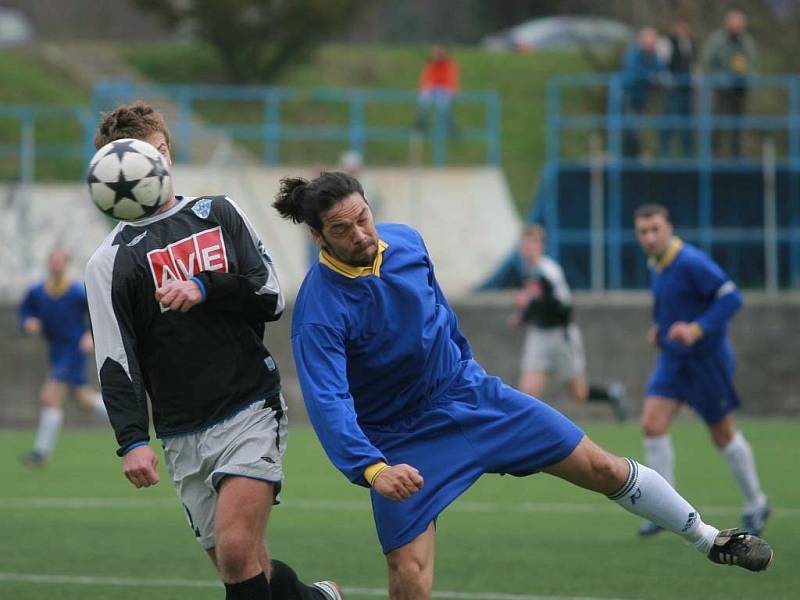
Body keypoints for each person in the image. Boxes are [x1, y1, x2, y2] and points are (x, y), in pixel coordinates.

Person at [273, 172, 773, 600]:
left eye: (363, 217)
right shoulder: (318, 311)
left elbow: (440, 310)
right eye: (342, 229)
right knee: (408, 580)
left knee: (601, 465)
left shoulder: (406, 241)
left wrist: (464, 364)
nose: (360, 233)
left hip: (470, 395)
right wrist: (373, 468)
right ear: (319, 237)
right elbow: (328, 401)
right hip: (402, 442)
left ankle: (710, 538)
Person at [84, 102, 340, 600]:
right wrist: (133, 439)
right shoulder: (109, 262)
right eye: (144, 158)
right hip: (182, 431)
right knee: (244, 566)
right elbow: (116, 359)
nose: (159, 163)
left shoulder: (218, 213)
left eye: (161, 150)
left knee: (237, 550)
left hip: (249, 405)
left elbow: (270, 297)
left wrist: (206, 286)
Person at [633, 203, 770, 538]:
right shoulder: (657, 265)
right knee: (652, 425)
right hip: (673, 360)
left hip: (706, 362)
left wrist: (696, 329)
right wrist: (659, 327)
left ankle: (756, 502)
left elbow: (731, 297)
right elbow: (669, 304)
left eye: (655, 229)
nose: (649, 237)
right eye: (642, 231)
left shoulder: (691, 261)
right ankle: (664, 509)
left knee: (721, 434)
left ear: (670, 229)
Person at [502, 225, 627, 420]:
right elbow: (534, 303)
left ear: (541, 246)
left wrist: (536, 302)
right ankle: (529, 441)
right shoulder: (529, 272)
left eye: (532, 243)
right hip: (539, 336)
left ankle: (612, 394)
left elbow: (563, 307)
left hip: (560, 336)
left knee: (579, 394)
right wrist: (524, 316)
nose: (527, 248)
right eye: (524, 243)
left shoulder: (548, 271)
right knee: (526, 393)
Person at [18, 248, 107, 467]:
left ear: (65, 264)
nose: (56, 265)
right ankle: (125, 412)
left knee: (49, 396)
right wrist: (28, 322)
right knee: (83, 399)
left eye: (60, 261)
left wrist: (90, 335)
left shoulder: (77, 291)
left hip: (73, 350)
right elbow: (25, 311)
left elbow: (98, 312)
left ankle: (41, 453)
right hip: (56, 351)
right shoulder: (38, 291)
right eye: (53, 261)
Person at [702, 10, 758, 158]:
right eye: (733, 24)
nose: (736, 28)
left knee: (738, 124)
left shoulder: (747, 42)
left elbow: (752, 65)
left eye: (739, 25)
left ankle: (737, 154)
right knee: (717, 122)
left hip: (739, 89)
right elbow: (708, 63)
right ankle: (713, 153)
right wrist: (721, 78)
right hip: (721, 89)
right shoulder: (716, 41)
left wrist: (744, 77)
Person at [620, 28, 667, 157]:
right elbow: (633, 72)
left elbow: (660, 68)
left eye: (653, 42)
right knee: (630, 129)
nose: (650, 45)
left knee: (636, 128)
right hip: (629, 95)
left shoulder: (653, 55)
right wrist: (649, 76)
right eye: (648, 42)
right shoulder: (633, 54)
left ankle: (635, 156)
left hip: (641, 97)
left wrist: (662, 76)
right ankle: (629, 158)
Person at [659, 19, 696, 157]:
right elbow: (662, 64)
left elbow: (693, 65)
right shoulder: (667, 43)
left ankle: (688, 155)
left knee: (687, 125)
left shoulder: (690, 44)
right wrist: (667, 80)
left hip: (686, 90)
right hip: (672, 91)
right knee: (669, 122)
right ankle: (665, 153)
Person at [413, 45, 459, 135]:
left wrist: (453, 89)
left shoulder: (449, 63)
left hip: (444, 88)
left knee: (444, 105)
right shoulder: (431, 63)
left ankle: (450, 126)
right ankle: (421, 123)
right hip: (432, 88)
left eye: (441, 52)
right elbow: (426, 79)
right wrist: (425, 87)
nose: (439, 55)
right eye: (437, 52)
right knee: (423, 100)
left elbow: (452, 78)